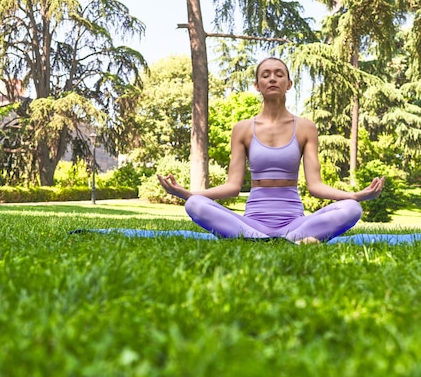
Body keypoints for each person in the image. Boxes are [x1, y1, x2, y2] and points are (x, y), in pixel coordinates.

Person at [158, 57, 384, 244]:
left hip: (294, 221)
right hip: (252, 221)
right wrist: (187, 194)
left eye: (279, 74)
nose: (272, 78)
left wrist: (355, 196)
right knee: (194, 205)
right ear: (257, 86)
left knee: (352, 208)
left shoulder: (305, 127)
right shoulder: (243, 129)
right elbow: (232, 187)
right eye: (265, 75)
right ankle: (274, 239)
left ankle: (270, 239)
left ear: (289, 83)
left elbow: (315, 186)